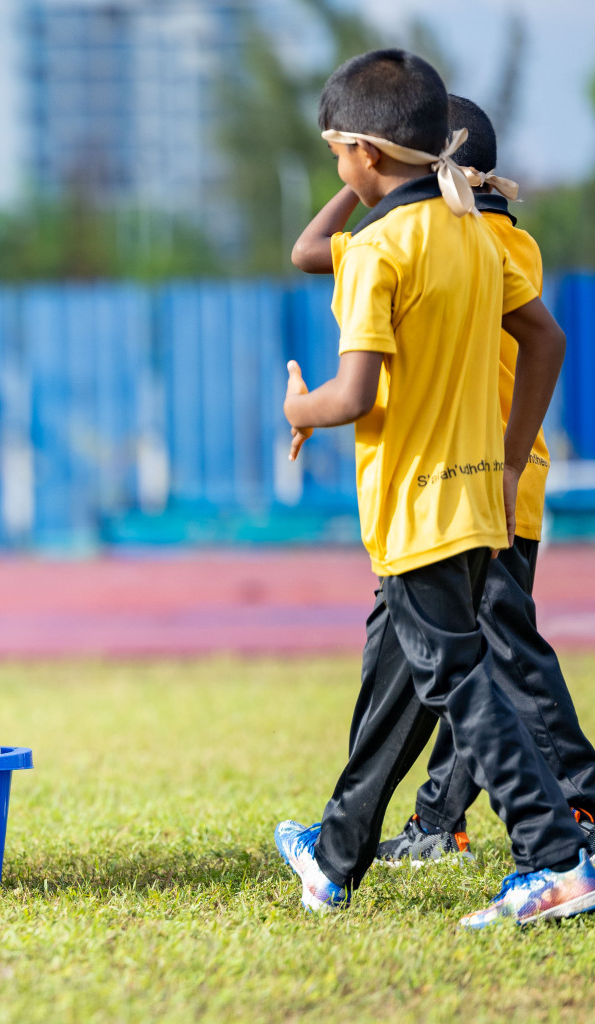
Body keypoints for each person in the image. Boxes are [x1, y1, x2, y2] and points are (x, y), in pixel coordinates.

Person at [274, 49, 595, 929]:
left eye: (338, 150)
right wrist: (506, 456)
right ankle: (336, 860)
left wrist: (300, 404)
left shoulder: (382, 248)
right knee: (466, 672)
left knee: (465, 682)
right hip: (473, 499)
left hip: (415, 506)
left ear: (364, 156)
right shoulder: (473, 232)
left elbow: (354, 394)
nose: (339, 166)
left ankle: (555, 858)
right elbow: (546, 341)